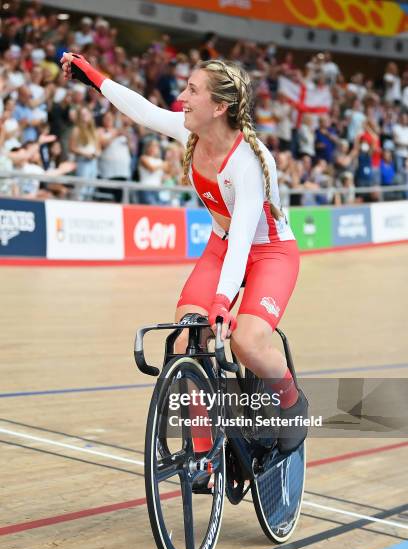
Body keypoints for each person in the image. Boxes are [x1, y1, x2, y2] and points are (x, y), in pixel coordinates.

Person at [61, 52, 307, 455]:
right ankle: (206, 454)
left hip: (269, 253)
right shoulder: (190, 131)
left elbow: (245, 236)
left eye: (193, 90)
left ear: (220, 107)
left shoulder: (249, 161)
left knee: (245, 342)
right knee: (184, 342)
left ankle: (292, 404)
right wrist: (94, 77)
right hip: (221, 245)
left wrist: (223, 303)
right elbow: (142, 109)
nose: (182, 98)